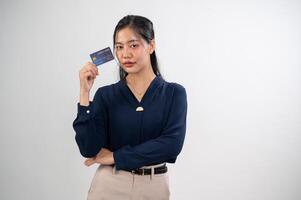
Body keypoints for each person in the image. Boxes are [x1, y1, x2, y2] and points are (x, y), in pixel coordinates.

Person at [72, 15, 187, 200]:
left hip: (154, 186)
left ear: (151, 45)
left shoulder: (174, 93)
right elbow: (89, 149)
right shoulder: (105, 95)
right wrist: (84, 94)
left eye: (133, 45)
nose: (125, 54)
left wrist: (116, 157)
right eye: (119, 47)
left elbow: (171, 145)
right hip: (110, 185)